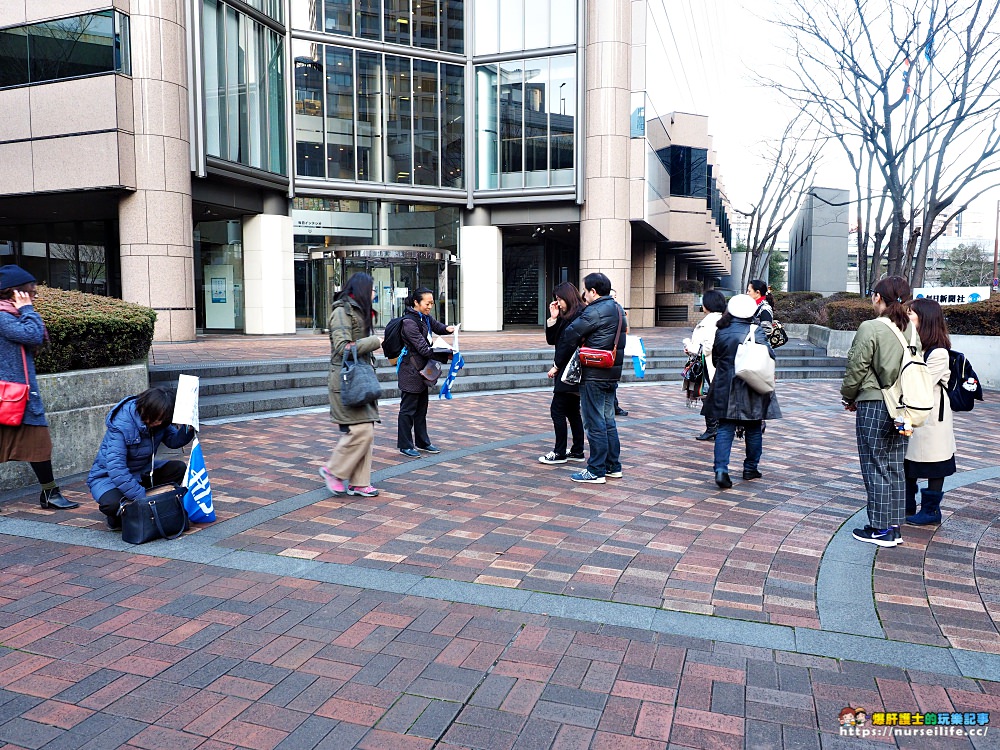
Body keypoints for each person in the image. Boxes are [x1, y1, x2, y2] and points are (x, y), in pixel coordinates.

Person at [841, 276, 917, 547]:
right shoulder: (911, 329)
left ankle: (879, 529)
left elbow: (856, 368)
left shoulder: (870, 327)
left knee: (874, 464)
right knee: (896, 465)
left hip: (875, 403)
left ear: (877, 298)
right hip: (904, 408)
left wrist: (848, 397)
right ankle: (894, 527)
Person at [0, 265, 78, 510]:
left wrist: (25, 310)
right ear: (16, 293)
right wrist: (27, 309)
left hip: (19, 396)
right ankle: (50, 494)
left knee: (40, 445)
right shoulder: (3, 316)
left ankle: (50, 493)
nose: (34, 297)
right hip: (9, 396)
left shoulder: (11, 314)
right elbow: (33, 335)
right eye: (30, 293)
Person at [552, 273, 626, 484]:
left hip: (594, 374)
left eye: (585, 290)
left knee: (594, 423)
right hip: (611, 372)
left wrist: (558, 364)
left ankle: (595, 470)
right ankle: (613, 466)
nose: (584, 295)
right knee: (608, 421)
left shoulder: (596, 310)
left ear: (594, 291)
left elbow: (570, 334)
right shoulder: (618, 309)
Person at [701, 294, 781, 488]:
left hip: (724, 385)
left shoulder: (722, 330)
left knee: (725, 429)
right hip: (751, 385)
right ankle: (750, 468)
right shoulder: (756, 330)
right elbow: (769, 355)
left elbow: (715, 359)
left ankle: (721, 470)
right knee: (753, 428)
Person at [88, 387, 195, 529]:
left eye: (162, 420)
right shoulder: (122, 423)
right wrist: (142, 497)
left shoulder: (160, 421)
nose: (157, 423)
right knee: (112, 503)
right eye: (156, 418)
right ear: (145, 407)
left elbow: (173, 441)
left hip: (142, 472)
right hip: (107, 477)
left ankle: (139, 505)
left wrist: (188, 429)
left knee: (179, 469)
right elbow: (116, 468)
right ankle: (119, 515)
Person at [319, 272, 383, 498]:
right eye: (373, 289)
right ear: (362, 290)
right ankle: (333, 471)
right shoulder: (341, 312)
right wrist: (375, 342)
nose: (375, 294)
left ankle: (359, 483)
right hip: (346, 380)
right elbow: (342, 347)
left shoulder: (359, 312)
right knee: (361, 430)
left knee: (367, 429)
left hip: (359, 377)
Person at [903, 298, 955, 525]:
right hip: (914, 412)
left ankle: (931, 510)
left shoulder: (939, 353)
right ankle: (906, 503)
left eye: (911, 314)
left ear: (924, 318)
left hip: (932, 415)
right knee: (908, 461)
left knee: (935, 462)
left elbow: (921, 382)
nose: (906, 318)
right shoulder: (916, 346)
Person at [397, 287, 454, 458]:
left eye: (432, 303)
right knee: (407, 410)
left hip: (423, 371)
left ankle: (422, 442)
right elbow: (423, 348)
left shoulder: (425, 317)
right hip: (411, 371)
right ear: (416, 302)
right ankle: (405, 444)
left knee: (421, 409)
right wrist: (447, 353)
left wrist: (449, 329)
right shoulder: (409, 322)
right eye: (427, 303)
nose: (430, 306)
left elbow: (438, 327)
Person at [540, 282, 586, 465]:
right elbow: (553, 340)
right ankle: (577, 451)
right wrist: (553, 319)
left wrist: (556, 366)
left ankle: (559, 452)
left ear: (568, 297)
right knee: (572, 411)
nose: (558, 303)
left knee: (557, 410)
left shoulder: (578, 316)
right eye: (556, 300)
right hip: (570, 370)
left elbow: (568, 345)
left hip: (570, 370)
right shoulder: (568, 316)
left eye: (560, 299)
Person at [685, 289, 727, 441]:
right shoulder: (722, 318)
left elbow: (708, 347)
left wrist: (690, 348)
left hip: (709, 364)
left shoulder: (711, 321)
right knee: (710, 396)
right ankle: (714, 428)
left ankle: (713, 428)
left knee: (708, 396)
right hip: (715, 364)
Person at [610, 289, 629, 417]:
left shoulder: (618, 310)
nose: (614, 299)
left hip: (614, 353)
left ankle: (614, 406)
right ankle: (613, 406)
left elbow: (625, 330)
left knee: (612, 383)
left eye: (615, 296)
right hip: (612, 353)